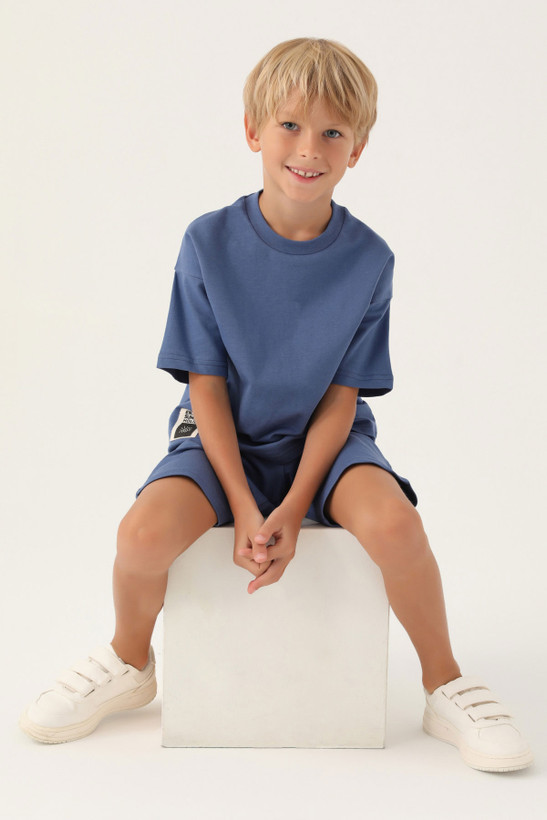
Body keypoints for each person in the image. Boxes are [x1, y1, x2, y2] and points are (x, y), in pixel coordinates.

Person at [20, 37, 533, 772]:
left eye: (333, 132)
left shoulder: (370, 259)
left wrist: (293, 505)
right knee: (141, 535)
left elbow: (341, 398)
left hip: (327, 443)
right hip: (217, 439)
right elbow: (204, 385)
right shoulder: (207, 242)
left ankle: (444, 683)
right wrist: (240, 500)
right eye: (290, 125)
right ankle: (129, 661)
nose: (309, 148)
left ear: (357, 149)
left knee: (396, 525)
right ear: (252, 130)